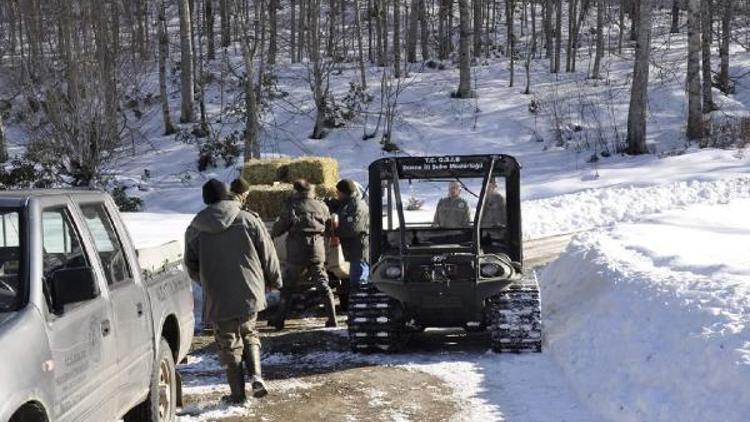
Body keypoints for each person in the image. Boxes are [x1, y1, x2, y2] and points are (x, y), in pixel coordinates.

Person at [184, 179, 282, 403]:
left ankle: (238, 395)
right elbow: (267, 252)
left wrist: (207, 282)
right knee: (249, 331)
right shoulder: (247, 219)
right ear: (226, 194)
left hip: (218, 294)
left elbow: (190, 265)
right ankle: (256, 376)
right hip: (249, 288)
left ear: (205, 199)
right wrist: (274, 278)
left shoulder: (195, 228)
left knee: (228, 341)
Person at [270, 179, 338, 330]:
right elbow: (329, 228)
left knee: (288, 286)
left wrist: (273, 233)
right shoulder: (321, 205)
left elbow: (278, 229)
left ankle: (279, 320)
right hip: (317, 250)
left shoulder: (292, 206)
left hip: (296, 252)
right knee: (323, 284)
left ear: (296, 190)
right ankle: (332, 318)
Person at [335, 179, 370, 291]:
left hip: (358, 247)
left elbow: (354, 229)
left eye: (338, 192)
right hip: (354, 249)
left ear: (344, 192)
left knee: (359, 281)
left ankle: (362, 302)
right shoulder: (349, 203)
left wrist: (335, 231)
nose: (337, 195)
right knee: (355, 279)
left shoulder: (356, 205)